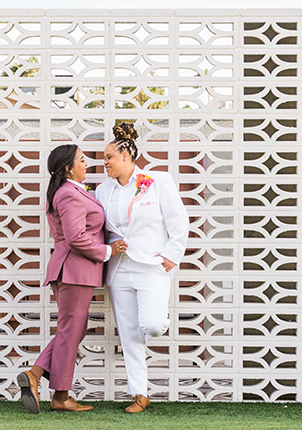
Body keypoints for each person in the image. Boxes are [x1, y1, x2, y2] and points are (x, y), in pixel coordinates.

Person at [18, 144, 128, 414]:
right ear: (68, 167)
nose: (87, 163)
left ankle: (35, 374)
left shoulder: (71, 191)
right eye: (81, 160)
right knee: (70, 331)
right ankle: (61, 396)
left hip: (74, 270)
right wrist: (107, 251)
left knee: (73, 330)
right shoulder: (69, 194)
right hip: (74, 270)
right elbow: (76, 236)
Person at [95, 123, 189, 414]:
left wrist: (172, 254)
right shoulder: (101, 190)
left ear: (127, 154)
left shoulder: (158, 180)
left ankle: (153, 325)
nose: (105, 163)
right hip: (119, 268)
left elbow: (178, 220)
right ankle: (140, 394)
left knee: (152, 325)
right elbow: (103, 229)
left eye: (109, 157)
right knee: (128, 333)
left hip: (152, 265)